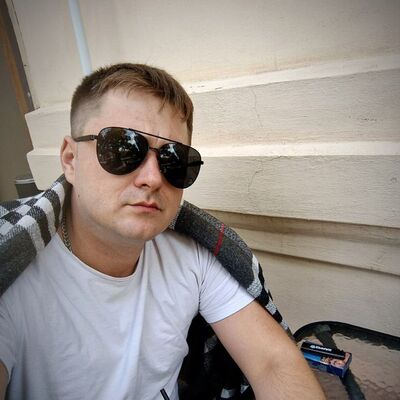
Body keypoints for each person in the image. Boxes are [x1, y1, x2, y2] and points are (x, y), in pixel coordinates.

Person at [0, 63, 325, 400]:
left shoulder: (191, 254)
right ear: (70, 159)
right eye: (124, 149)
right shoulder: (14, 280)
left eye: (174, 160)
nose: (153, 178)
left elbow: (272, 362)